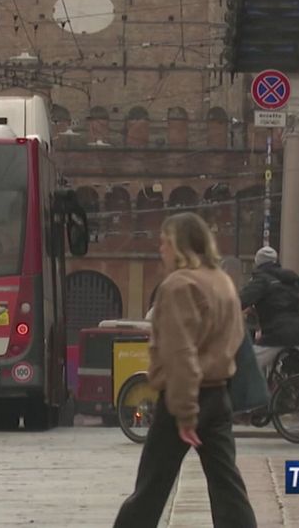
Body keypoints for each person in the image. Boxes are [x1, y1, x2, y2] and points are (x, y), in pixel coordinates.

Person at [114, 212, 256, 528]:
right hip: (219, 394)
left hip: (183, 399)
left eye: (164, 242)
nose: (160, 250)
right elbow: (235, 340)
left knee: (151, 487)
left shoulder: (179, 285)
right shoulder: (222, 282)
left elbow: (180, 354)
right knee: (227, 486)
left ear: (180, 245)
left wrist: (186, 413)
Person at [239, 246, 299, 378]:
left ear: (258, 262)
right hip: (296, 330)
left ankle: (257, 397)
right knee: (273, 370)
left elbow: (241, 300)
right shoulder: (289, 279)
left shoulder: (261, 279)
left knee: (246, 364)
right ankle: (279, 391)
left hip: (277, 333)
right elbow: (282, 303)